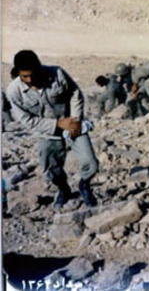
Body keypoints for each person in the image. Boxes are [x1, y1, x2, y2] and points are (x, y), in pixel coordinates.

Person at [6, 50, 99, 209]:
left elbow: (75, 93)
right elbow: (27, 120)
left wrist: (76, 119)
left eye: (32, 75)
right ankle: (63, 189)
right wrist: (57, 124)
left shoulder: (57, 73)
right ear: (18, 73)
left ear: (39, 67)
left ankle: (84, 185)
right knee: (50, 168)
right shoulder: (14, 91)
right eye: (24, 76)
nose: (29, 80)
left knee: (90, 162)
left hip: (72, 123)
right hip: (47, 131)